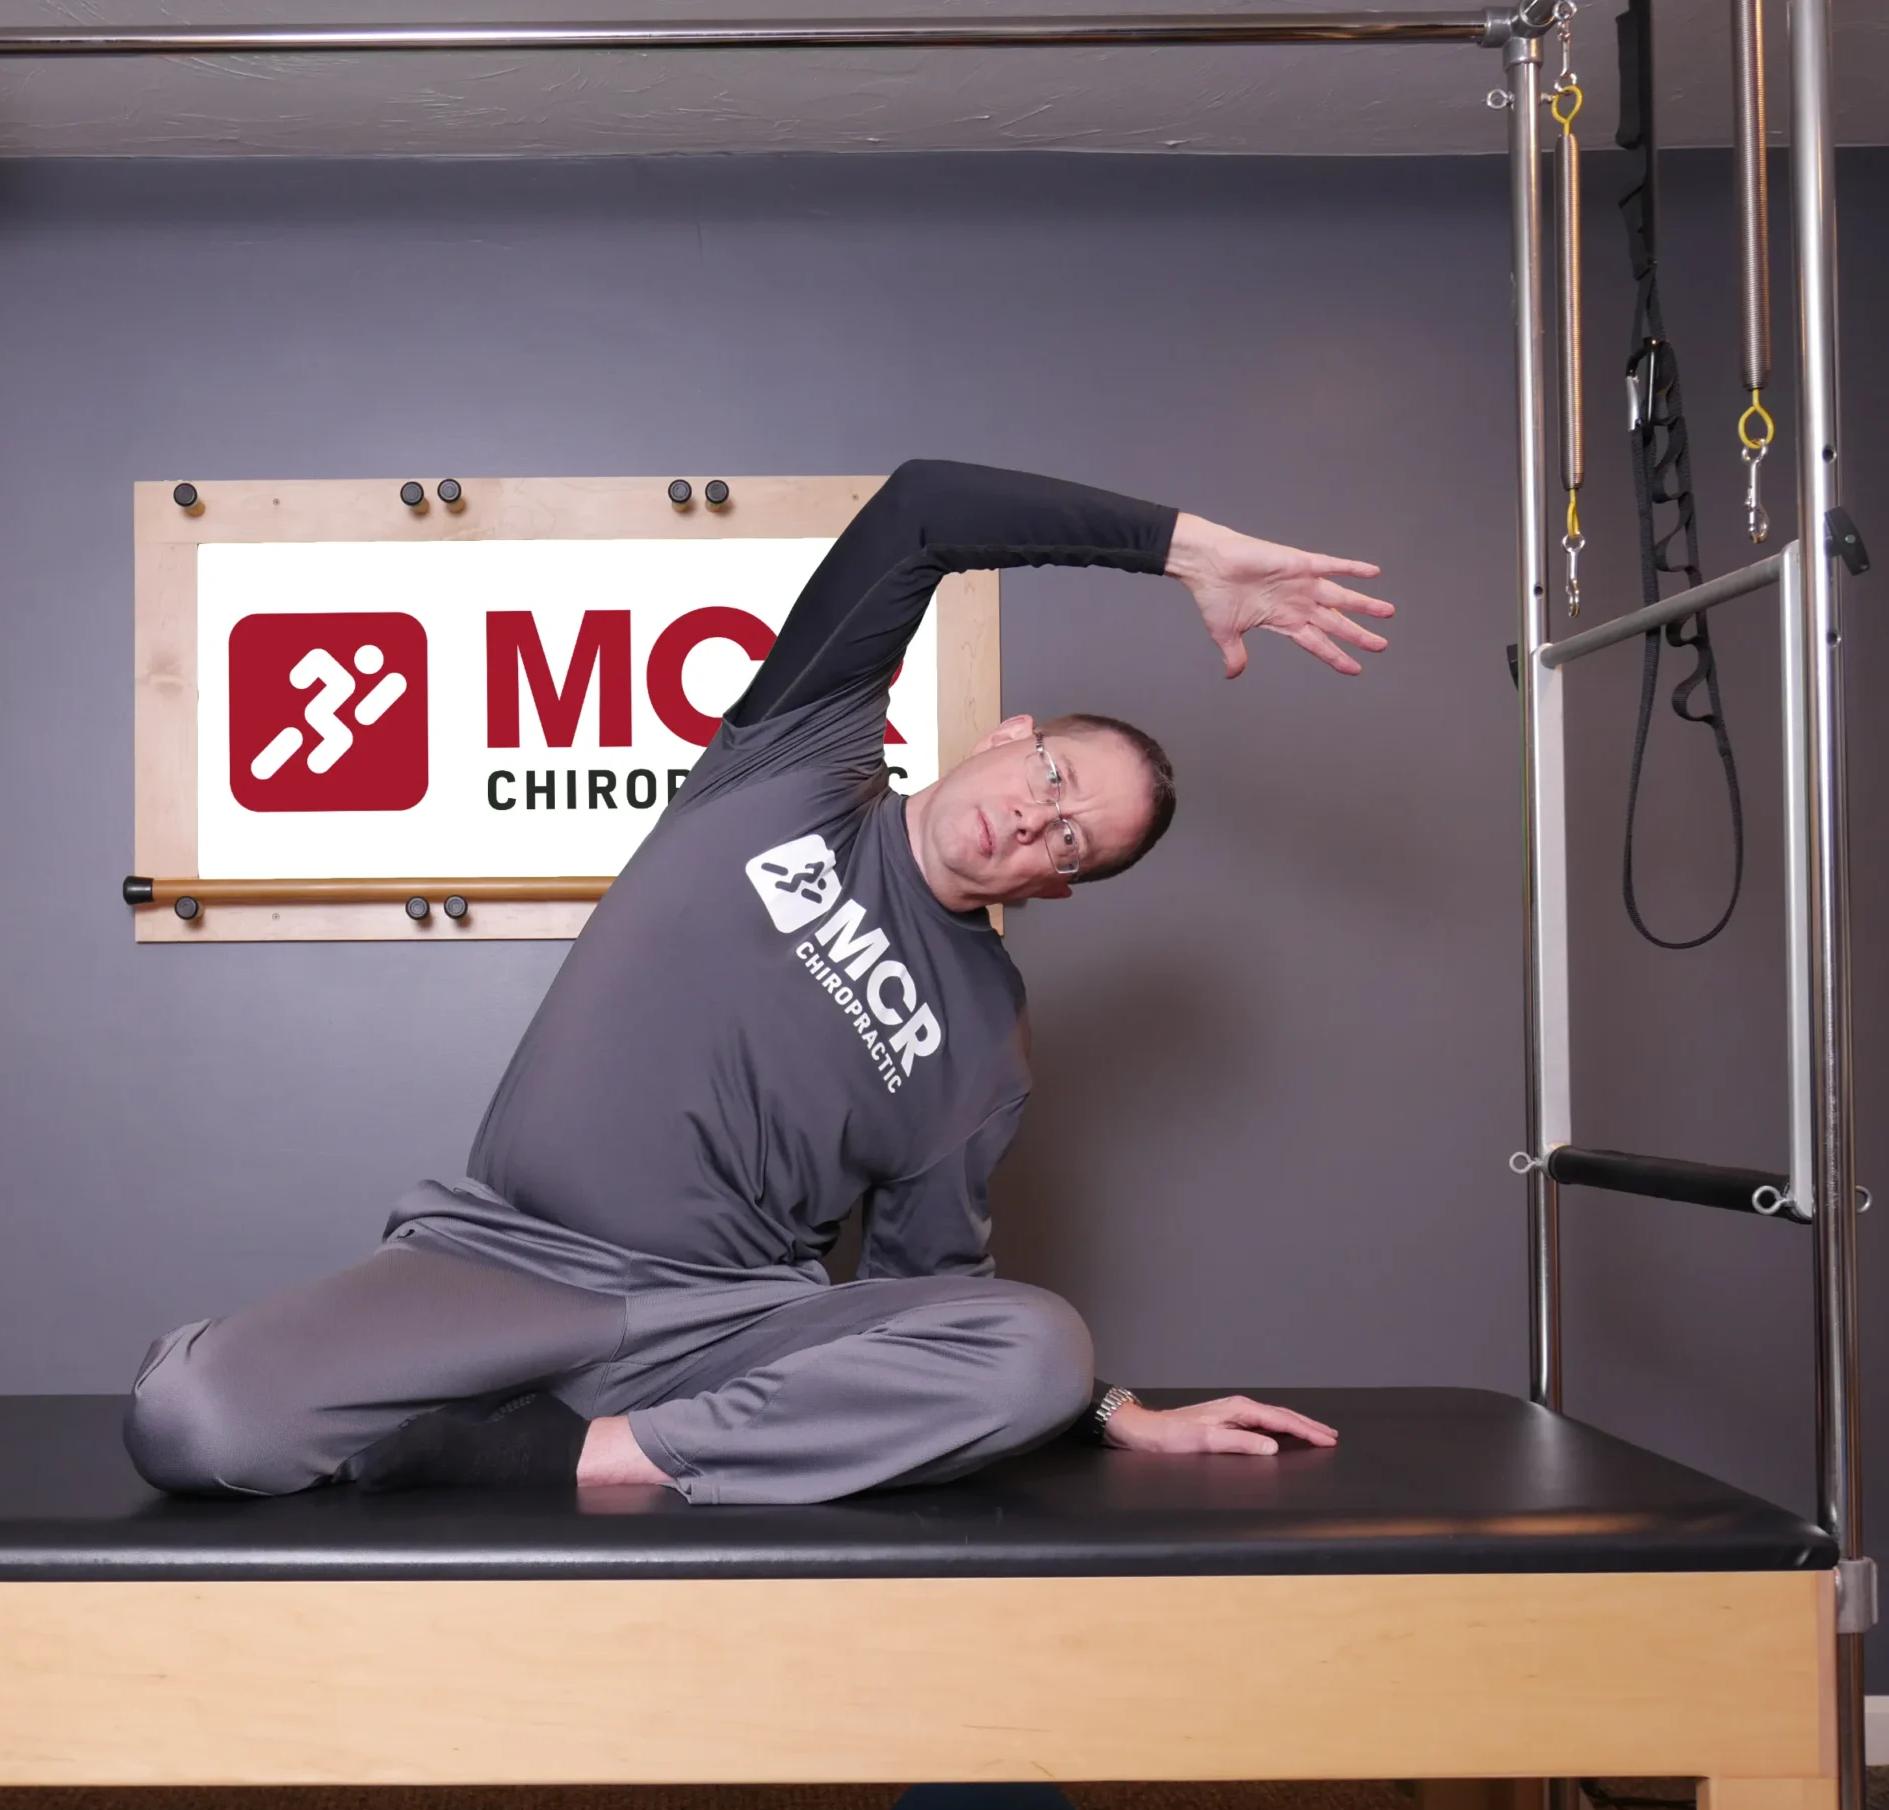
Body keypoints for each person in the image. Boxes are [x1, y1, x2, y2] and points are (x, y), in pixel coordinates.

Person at [126, 459, 1394, 1505]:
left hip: (719, 1327)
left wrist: (1105, 1406)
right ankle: (467, 1406)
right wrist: (1184, 551)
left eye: (1073, 842)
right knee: (193, 1419)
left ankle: (567, 1455)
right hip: (502, 1264)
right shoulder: (793, 765)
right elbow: (922, 511)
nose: (1035, 823)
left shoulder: (986, 1040)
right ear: (1010, 736)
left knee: (1039, 1344)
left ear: (1055, 887)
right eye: (1053, 780)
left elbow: (931, 1299)